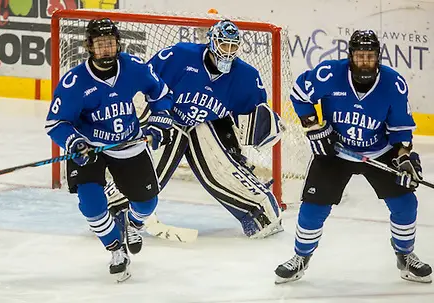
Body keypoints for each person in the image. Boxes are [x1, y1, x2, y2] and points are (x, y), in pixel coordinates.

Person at [274, 30, 432, 284]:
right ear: (350, 56)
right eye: (359, 56)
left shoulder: (393, 84)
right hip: (335, 151)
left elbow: (401, 130)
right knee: (313, 207)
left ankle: (405, 256)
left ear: (378, 57)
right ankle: (301, 257)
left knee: (405, 204)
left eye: (370, 56)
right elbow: (300, 95)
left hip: (379, 152)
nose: (365, 62)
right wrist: (314, 127)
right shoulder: (329, 74)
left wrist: (404, 158)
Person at [106, 19, 285, 240]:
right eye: (223, 44)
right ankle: (116, 207)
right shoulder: (180, 55)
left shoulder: (246, 77)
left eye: (233, 46)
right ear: (211, 42)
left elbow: (251, 117)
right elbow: (146, 82)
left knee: (220, 171)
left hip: (205, 126)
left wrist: (261, 131)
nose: (228, 51)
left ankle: (258, 211)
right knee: (151, 166)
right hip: (167, 118)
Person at [45, 18, 174, 282]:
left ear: (118, 45)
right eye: (100, 44)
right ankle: (116, 249)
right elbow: (56, 123)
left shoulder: (134, 68)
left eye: (111, 44)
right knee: (91, 204)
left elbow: (161, 94)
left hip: (128, 142)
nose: (106, 50)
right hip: (90, 148)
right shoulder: (75, 82)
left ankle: (133, 224)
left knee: (147, 203)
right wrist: (75, 143)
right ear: (89, 47)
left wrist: (159, 123)